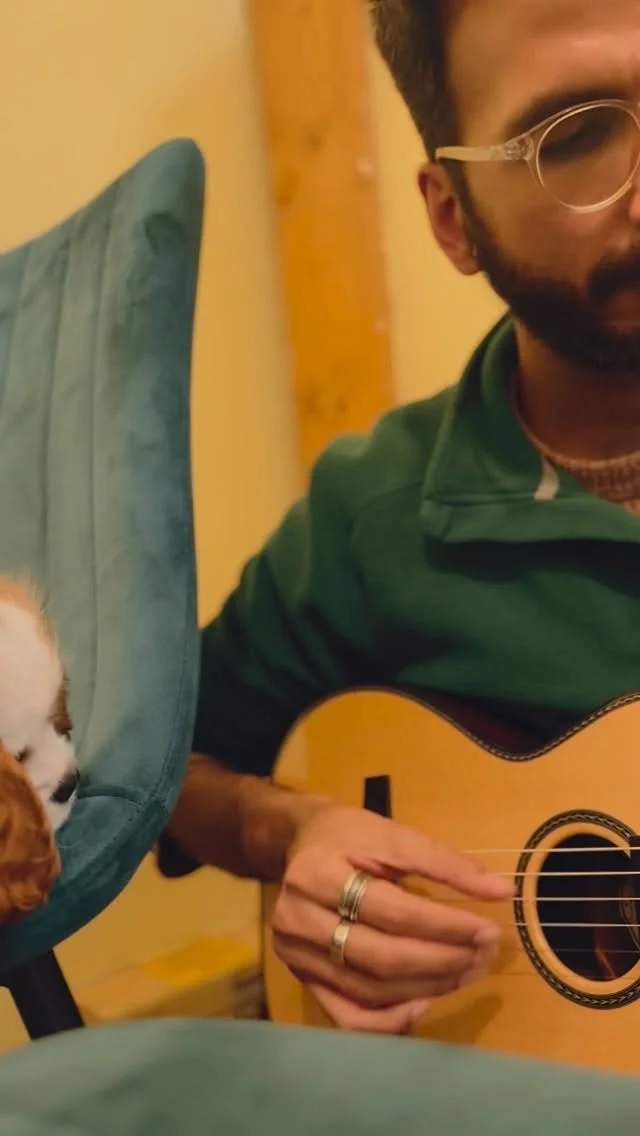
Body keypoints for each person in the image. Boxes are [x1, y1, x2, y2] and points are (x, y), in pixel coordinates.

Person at [159, 0, 640, 1035]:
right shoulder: (373, 513)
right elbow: (161, 767)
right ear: (453, 216)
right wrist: (289, 831)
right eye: (575, 135)